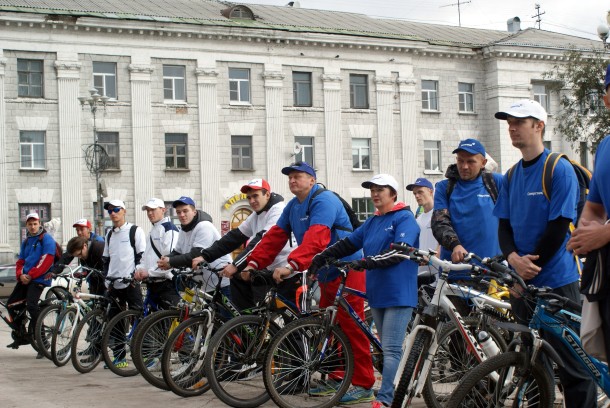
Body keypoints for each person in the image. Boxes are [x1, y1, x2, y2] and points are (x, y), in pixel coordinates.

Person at [244, 161, 375, 405]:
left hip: (348, 268)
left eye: (298, 176)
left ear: (312, 180)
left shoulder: (324, 200)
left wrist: (292, 265)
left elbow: (317, 238)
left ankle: (364, 384)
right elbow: (275, 236)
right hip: (325, 272)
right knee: (330, 325)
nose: (293, 180)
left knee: (351, 326)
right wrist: (253, 263)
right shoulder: (293, 206)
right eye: (290, 177)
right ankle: (340, 376)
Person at [494, 99, 596, 407]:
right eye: (509, 122)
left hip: (556, 282)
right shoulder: (511, 175)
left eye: (519, 122)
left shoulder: (557, 168)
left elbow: (558, 227)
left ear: (539, 126)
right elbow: (504, 227)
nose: (512, 127)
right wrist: (513, 261)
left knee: (573, 367)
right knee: (532, 364)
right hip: (522, 282)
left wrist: (527, 266)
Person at [309, 174, 419, 408]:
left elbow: (400, 252)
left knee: (390, 348)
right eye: (372, 190)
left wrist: (367, 262)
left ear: (393, 194)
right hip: (377, 292)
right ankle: (389, 387)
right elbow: (348, 244)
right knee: (383, 347)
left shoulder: (405, 218)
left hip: (399, 292)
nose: (375, 194)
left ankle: (385, 399)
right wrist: (322, 256)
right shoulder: (373, 221)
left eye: (381, 189)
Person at [190, 179, 298, 311]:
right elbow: (233, 238)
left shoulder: (278, 210)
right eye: (249, 197)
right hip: (270, 269)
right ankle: (247, 324)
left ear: (267, 195)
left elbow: (261, 241)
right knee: (240, 280)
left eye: (255, 196)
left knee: (292, 321)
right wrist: (205, 256)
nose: (251, 201)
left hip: (290, 271)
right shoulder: (256, 215)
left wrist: (236, 265)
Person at [568, 64, 610, 361]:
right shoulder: (605, 146)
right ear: (606, 97)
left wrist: (603, 233)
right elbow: (594, 205)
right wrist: (586, 230)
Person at [432, 138, 502, 263]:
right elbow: (439, 222)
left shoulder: (495, 183)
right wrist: (455, 245)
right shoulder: (444, 187)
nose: (464, 166)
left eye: (471, 162)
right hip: (454, 270)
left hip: (492, 271)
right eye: (460, 160)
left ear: (483, 162)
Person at [102, 199, 146, 368]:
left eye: (116, 209)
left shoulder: (134, 231)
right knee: (115, 323)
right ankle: (119, 358)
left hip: (131, 283)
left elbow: (141, 255)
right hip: (114, 284)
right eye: (110, 211)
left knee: (139, 319)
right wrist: (107, 278)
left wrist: (136, 276)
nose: (113, 213)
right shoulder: (109, 234)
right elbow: (106, 258)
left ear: (124, 211)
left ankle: (144, 355)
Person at [157, 196, 231, 295]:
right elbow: (177, 252)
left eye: (185, 211)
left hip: (222, 281)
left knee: (224, 311)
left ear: (194, 212)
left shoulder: (204, 226)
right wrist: (165, 259)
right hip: (204, 284)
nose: (182, 215)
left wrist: (170, 262)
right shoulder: (184, 229)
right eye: (178, 212)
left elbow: (196, 255)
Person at [6, 212, 56, 350]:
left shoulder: (46, 239)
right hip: (26, 278)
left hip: (40, 278)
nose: (33, 227)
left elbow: (46, 260)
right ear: (26, 225)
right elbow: (21, 261)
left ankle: (43, 342)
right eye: (30, 224)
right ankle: (22, 334)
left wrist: (30, 275)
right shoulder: (26, 241)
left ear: (39, 223)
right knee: (11, 304)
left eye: (35, 224)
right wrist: (20, 275)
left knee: (32, 305)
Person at [134, 198, 180, 309]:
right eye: (148, 210)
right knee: (153, 323)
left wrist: (148, 272)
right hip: (153, 283)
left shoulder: (169, 229)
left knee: (169, 322)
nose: (150, 213)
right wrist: (139, 270)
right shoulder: (152, 231)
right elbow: (145, 257)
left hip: (167, 285)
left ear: (163, 210)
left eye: (153, 210)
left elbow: (170, 259)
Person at [406, 177, 439, 282]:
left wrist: (433, 258)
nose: (417, 196)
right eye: (414, 193)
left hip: (438, 274)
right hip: (421, 275)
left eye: (420, 192)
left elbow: (445, 240)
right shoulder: (417, 220)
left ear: (431, 191)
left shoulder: (440, 215)